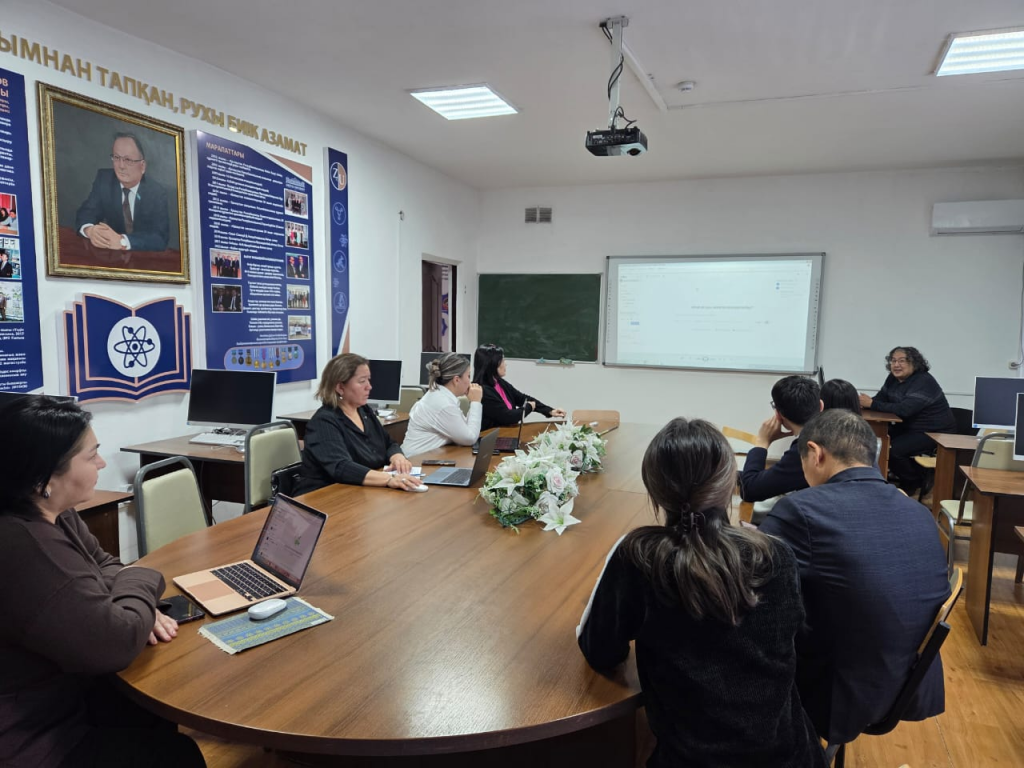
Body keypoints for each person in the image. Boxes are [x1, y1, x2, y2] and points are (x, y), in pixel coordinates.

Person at [577, 418, 826, 768]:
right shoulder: (776, 555)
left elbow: (601, 652)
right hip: (791, 757)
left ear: (654, 490)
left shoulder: (638, 558)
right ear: (729, 485)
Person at [0, 397, 205, 768]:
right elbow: (117, 641)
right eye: (91, 455)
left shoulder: (56, 513)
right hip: (34, 737)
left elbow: (106, 565)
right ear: (44, 478)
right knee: (178, 755)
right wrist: (143, 579)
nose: (102, 463)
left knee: (151, 712)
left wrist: (128, 602)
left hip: (68, 688)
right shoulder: (26, 548)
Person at [759, 409, 951, 746]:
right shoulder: (919, 513)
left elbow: (754, 586)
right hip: (907, 684)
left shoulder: (802, 510)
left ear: (816, 453)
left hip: (838, 695)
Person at [295, 353, 424, 495]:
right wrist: (388, 479)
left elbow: (388, 443)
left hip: (362, 490)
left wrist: (397, 456)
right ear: (340, 387)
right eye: (362, 381)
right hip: (327, 495)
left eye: (369, 380)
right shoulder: (323, 422)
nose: (369, 386)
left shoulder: (364, 410)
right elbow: (341, 467)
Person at [859, 346, 955, 495]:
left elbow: (905, 409)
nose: (896, 365)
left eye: (902, 361)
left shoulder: (924, 381)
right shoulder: (893, 379)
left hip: (934, 432)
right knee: (873, 439)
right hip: (909, 427)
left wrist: (871, 404)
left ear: (914, 363)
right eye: (893, 361)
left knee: (893, 450)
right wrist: (863, 404)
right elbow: (881, 399)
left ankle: (915, 481)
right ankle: (875, 480)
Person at [75, 132, 170, 252]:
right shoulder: (104, 180)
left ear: (142, 166)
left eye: (128, 160)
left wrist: (122, 241)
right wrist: (90, 230)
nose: (121, 166)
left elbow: (160, 238)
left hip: (144, 257)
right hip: (111, 256)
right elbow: (86, 213)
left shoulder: (156, 192)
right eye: (116, 158)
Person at [739, 375, 821, 504]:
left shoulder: (805, 449)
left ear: (778, 414)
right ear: (821, 406)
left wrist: (762, 443)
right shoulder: (835, 432)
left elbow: (749, 490)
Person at [401, 353, 484, 456]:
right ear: (456, 380)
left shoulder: (441, 395)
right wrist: (476, 402)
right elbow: (470, 438)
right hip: (415, 461)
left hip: (427, 456)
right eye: (468, 376)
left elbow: (464, 429)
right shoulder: (443, 404)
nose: (470, 381)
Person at [472, 344, 565, 430]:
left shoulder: (498, 382)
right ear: (493, 364)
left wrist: (550, 411)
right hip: (492, 437)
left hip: (507, 432)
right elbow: (509, 417)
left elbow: (522, 398)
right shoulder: (482, 390)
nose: (505, 364)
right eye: (502, 361)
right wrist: (529, 407)